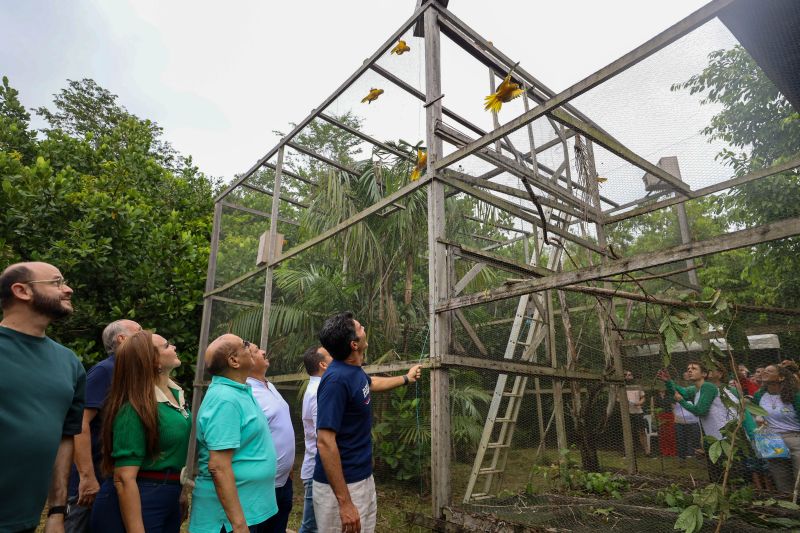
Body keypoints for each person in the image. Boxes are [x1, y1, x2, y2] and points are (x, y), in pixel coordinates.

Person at [313, 312, 422, 533]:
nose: (364, 327)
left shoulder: (353, 371)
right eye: (361, 327)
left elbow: (371, 383)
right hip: (343, 486)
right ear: (354, 344)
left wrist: (405, 379)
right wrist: (344, 503)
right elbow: (325, 442)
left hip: (361, 478)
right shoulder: (336, 380)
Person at [0, 262, 86, 533]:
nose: (68, 289)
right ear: (21, 290)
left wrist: (57, 512)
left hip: (23, 521)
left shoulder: (70, 363)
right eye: (57, 282)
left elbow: (65, 438)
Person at [90, 331, 191, 532]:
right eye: (166, 346)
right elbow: (124, 478)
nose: (173, 347)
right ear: (153, 361)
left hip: (168, 494)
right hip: (142, 496)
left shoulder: (176, 395)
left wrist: (179, 492)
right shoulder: (133, 409)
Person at [189, 334, 278, 533]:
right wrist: (238, 524)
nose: (251, 346)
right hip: (228, 521)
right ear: (234, 361)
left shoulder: (240, 391)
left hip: (248, 511)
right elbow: (219, 467)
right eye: (245, 345)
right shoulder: (225, 400)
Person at [66, 319, 142, 533]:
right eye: (140, 331)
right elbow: (80, 422)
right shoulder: (105, 371)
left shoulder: (131, 373)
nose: (145, 337)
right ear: (122, 339)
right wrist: (87, 476)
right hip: (90, 482)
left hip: (111, 477)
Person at [658, 362, 753, 483]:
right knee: (720, 474)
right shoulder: (698, 389)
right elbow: (683, 392)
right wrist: (668, 381)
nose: (689, 371)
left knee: (732, 475)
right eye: (688, 369)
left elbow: (700, 411)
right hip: (714, 438)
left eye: (694, 368)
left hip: (727, 437)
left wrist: (681, 401)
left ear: (704, 374)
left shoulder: (709, 387)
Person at [247, 345, 295, 532]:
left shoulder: (269, 385)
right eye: (256, 351)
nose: (263, 352)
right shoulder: (247, 392)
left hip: (283, 482)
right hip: (261, 487)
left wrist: (289, 465)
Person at [299, 345, 332, 533]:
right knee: (310, 526)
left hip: (318, 467)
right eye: (329, 356)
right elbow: (324, 436)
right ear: (323, 365)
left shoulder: (318, 388)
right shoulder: (318, 392)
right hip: (317, 470)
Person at [753, 364, 800, 492]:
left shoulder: (795, 395)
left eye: (770, 371)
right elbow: (756, 413)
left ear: (781, 377)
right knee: (781, 480)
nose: (764, 372)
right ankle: (789, 508)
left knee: (799, 480)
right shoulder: (759, 395)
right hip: (772, 440)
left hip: (795, 438)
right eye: (764, 370)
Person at [672, 371, 701, 461]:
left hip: (693, 419)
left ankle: (699, 457)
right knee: (681, 439)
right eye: (685, 375)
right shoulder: (676, 389)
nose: (687, 376)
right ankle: (681, 458)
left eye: (688, 375)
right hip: (679, 419)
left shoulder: (695, 388)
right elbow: (672, 403)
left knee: (696, 439)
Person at [624, 370, 649, 456]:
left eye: (630, 374)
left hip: (638, 411)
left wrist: (639, 403)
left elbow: (643, 398)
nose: (629, 376)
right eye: (627, 375)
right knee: (628, 432)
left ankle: (647, 451)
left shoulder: (638, 386)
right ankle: (629, 452)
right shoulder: (622, 386)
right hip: (627, 413)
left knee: (642, 431)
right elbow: (617, 398)